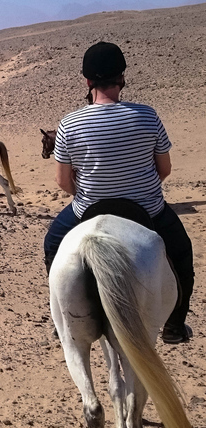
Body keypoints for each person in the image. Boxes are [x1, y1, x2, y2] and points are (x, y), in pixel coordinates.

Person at [43, 41, 194, 344]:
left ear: (87, 81)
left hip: (88, 210)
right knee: (182, 254)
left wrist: (89, 194)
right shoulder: (147, 115)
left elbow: (62, 181)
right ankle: (176, 324)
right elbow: (165, 169)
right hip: (147, 209)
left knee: (52, 245)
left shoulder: (69, 124)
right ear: (122, 77)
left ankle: (61, 319)